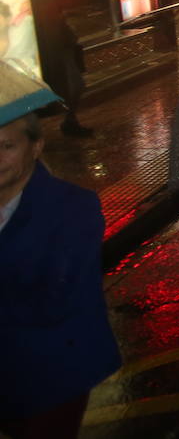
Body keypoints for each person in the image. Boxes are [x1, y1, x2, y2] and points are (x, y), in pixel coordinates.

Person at [0, 72, 120, 439]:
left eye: (6, 146)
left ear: (36, 147)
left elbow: (52, 302)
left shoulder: (74, 209)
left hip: (51, 375)